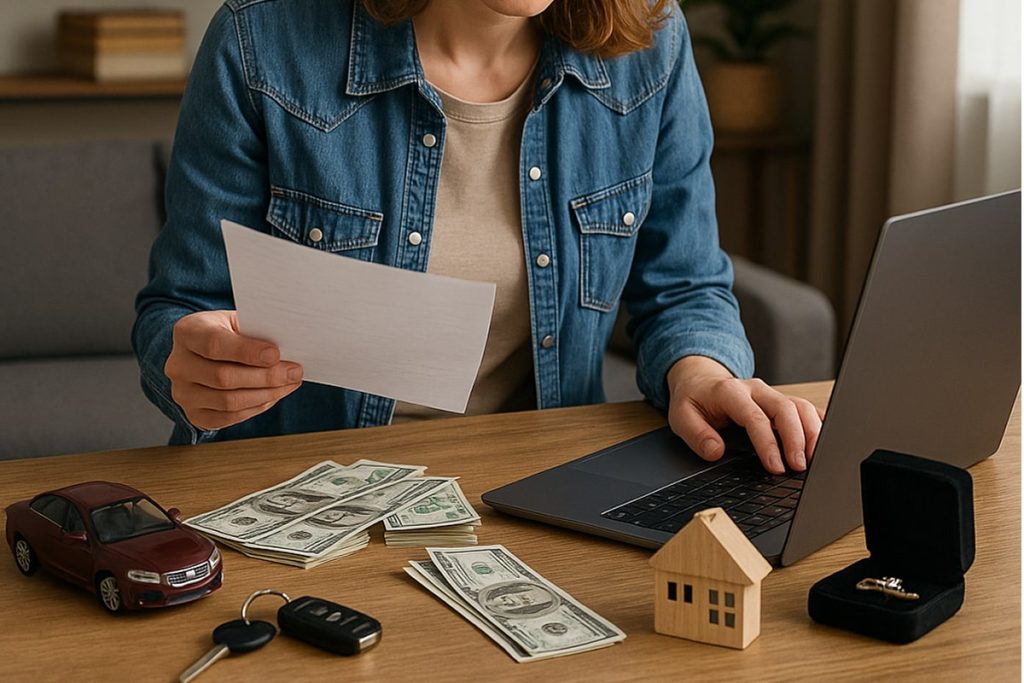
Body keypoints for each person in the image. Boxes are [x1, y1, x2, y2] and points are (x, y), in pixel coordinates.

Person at [133, 0, 822, 474]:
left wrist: (698, 372)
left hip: (531, 492)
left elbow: (685, 286)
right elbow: (180, 307)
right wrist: (191, 368)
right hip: (294, 491)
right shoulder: (262, 44)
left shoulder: (651, 47)